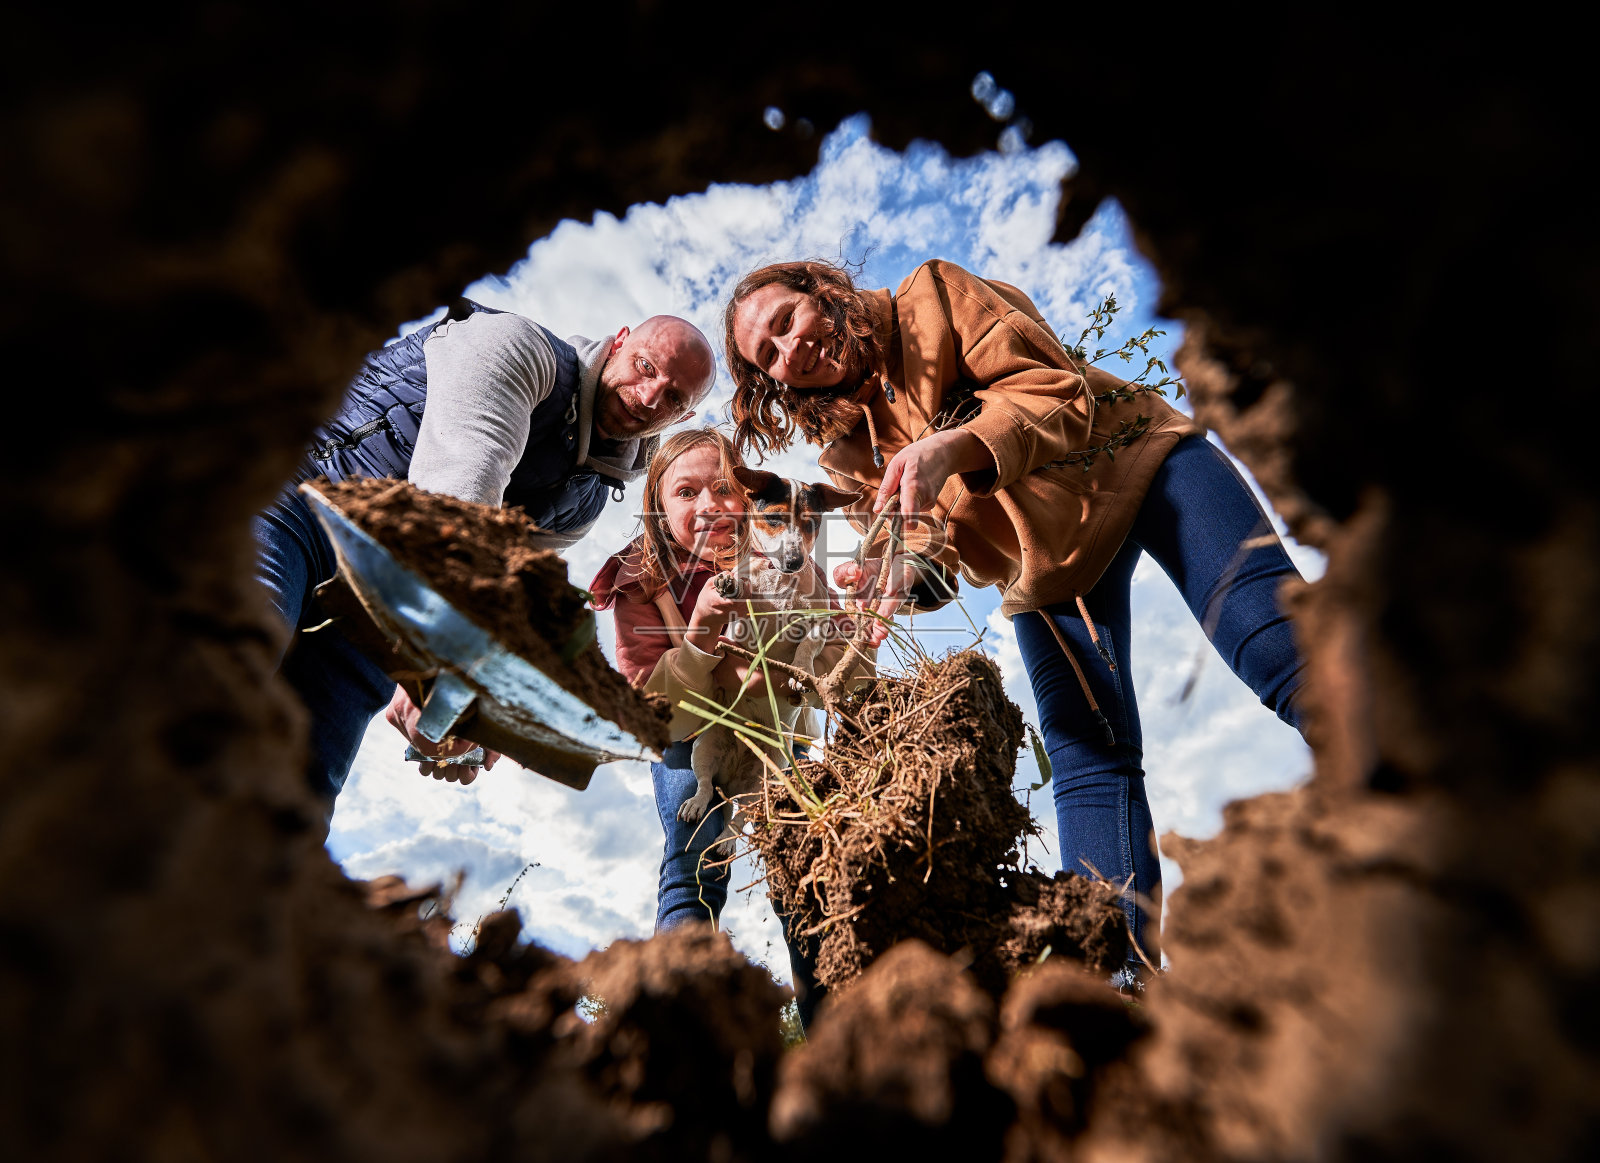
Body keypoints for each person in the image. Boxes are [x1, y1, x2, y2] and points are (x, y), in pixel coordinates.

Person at [723, 259, 1306, 984]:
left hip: (1141, 466)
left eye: (786, 322)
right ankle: (1110, 989)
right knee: (1088, 757)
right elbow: (932, 546)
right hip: (1050, 573)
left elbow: (1056, 392)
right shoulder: (850, 452)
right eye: (769, 358)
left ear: (822, 288)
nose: (790, 353)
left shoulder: (932, 295)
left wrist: (952, 446)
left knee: (1277, 647)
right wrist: (904, 572)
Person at [255, 299, 715, 819]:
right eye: (645, 367)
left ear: (685, 415)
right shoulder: (516, 347)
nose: (649, 396)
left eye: (673, 397)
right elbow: (456, 496)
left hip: (378, 603)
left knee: (301, 794)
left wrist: (485, 714)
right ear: (620, 340)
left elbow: (511, 587)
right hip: (299, 500)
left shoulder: (585, 503)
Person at [588, 426, 867, 1024]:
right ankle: (681, 1019)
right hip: (689, 743)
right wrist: (699, 639)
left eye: (722, 488)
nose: (709, 505)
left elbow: (847, 673)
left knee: (804, 864)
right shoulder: (642, 580)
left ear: (748, 496)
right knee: (693, 861)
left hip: (776, 741)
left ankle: (834, 1025)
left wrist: (850, 631)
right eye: (686, 493)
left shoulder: (792, 565)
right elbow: (645, 708)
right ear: (660, 511)